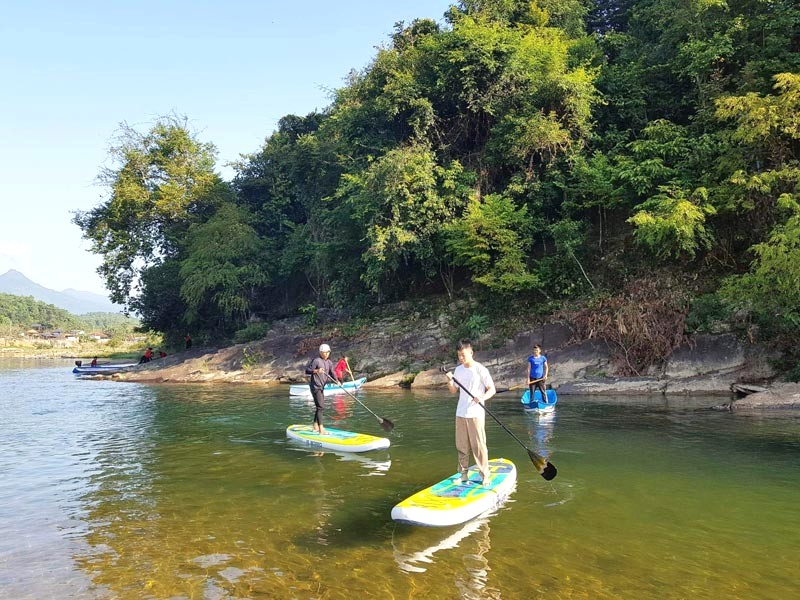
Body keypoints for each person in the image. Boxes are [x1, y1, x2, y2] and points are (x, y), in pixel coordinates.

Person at [446, 339, 496, 485]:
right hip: (460, 413)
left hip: (476, 414)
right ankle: (463, 474)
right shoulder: (458, 370)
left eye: (463, 355)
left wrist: (481, 397)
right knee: (461, 446)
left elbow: (491, 389)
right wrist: (449, 381)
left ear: (471, 352)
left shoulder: (480, 369)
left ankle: (485, 474)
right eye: (459, 356)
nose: (461, 358)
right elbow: (453, 391)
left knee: (479, 446)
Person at [304, 343, 339, 434]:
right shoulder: (316, 361)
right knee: (321, 407)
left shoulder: (329, 362)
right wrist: (316, 371)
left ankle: (315, 425)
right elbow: (307, 371)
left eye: (328, 352)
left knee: (319, 407)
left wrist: (337, 381)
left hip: (322, 387)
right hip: (315, 386)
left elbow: (332, 373)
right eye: (324, 352)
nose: (326, 354)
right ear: (320, 352)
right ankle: (321, 429)